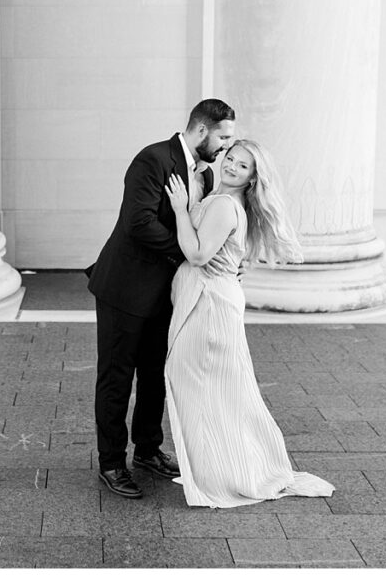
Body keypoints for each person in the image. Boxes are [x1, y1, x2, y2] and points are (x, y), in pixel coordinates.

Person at [162, 139, 335, 507]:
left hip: (208, 306)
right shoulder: (221, 199)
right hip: (210, 300)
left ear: (253, 178)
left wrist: (180, 210)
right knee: (215, 388)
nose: (232, 166)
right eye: (232, 158)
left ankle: (222, 472)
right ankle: (217, 467)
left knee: (200, 384)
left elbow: (197, 253)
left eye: (243, 166)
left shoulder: (225, 205)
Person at [87, 98, 236, 499]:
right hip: (126, 288)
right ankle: (112, 463)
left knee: (155, 375)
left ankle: (148, 451)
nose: (226, 146)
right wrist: (187, 254)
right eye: (223, 137)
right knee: (117, 377)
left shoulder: (204, 174)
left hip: (167, 294)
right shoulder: (152, 159)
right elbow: (139, 223)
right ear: (202, 130)